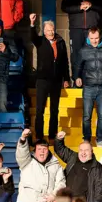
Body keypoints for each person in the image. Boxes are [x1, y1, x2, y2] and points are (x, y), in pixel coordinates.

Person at [30, 13, 70, 142]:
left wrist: (67, 79)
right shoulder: (40, 41)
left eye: (52, 30)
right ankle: (39, 136)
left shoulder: (61, 42)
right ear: (44, 31)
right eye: (47, 30)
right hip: (42, 79)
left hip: (56, 80)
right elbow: (32, 36)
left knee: (54, 109)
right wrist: (32, 23)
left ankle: (52, 135)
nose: (50, 32)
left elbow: (65, 62)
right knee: (40, 109)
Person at [74, 27, 102, 148]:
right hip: (88, 87)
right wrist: (77, 77)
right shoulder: (83, 51)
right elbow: (77, 66)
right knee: (87, 115)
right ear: (88, 38)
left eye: (96, 38)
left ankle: (100, 139)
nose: (94, 41)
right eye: (92, 38)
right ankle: (86, 139)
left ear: (100, 37)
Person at [61, 0, 102, 78]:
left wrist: (91, 5)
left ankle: (91, 80)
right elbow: (64, 7)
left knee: (92, 55)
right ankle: (77, 80)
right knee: (76, 55)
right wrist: (78, 7)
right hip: (76, 29)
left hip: (92, 29)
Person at [54, 132, 102, 202]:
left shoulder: (98, 168)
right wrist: (59, 140)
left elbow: (99, 189)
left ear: (92, 152)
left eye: (86, 150)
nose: (83, 153)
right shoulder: (72, 157)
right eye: (81, 150)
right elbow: (60, 150)